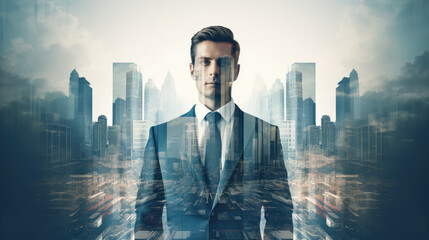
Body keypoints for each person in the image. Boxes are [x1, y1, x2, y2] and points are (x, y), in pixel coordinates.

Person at [135, 26, 293, 240]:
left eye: (223, 62)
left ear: (236, 71)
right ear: (192, 70)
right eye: (205, 61)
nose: (214, 71)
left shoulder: (265, 135)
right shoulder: (160, 136)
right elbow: (147, 217)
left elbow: (280, 216)